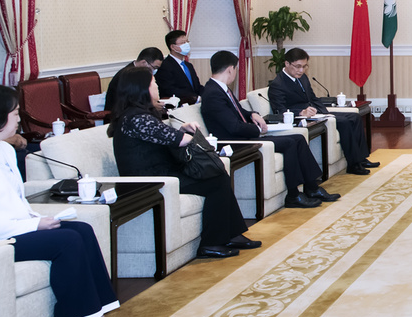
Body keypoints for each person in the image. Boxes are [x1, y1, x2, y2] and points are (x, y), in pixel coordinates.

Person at [0, 83, 129, 317]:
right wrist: (34, 225)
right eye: (15, 113)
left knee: (82, 229)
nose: (18, 119)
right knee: (67, 241)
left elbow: (16, 200)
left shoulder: (5, 150)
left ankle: (97, 312)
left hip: (18, 227)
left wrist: (35, 219)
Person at [108, 67, 259, 259]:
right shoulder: (135, 119)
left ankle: (231, 234)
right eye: (154, 83)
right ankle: (211, 243)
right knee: (216, 182)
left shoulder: (137, 114)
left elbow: (161, 137)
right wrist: (188, 135)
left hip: (162, 173)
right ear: (142, 88)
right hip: (149, 181)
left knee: (218, 176)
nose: (157, 86)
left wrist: (182, 129)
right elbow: (176, 140)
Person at [201, 50, 335, 209]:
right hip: (235, 142)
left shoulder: (222, 89)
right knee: (290, 143)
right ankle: (293, 196)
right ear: (231, 69)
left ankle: (312, 188)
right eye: (236, 69)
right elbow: (233, 126)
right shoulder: (213, 93)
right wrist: (258, 130)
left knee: (298, 139)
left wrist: (253, 114)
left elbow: (239, 112)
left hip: (244, 135)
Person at [268, 48, 378, 175]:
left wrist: (325, 112)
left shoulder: (302, 78)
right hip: (302, 119)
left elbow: (313, 98)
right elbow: (279, 111)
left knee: (355, 117)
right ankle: (353, 165)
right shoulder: (278, 84)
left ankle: (361, 159)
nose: (301, 70)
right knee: (344, 122)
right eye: (298, 66)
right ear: (287, 64)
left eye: (304, 66)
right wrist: (301, 112)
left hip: (317, 113)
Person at [105, 46, 165, 113]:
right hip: (120, 113)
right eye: (154, 67)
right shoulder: (127, 75)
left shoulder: (137, 72)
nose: (155, 71)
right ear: (143, 62)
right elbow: (130, 101)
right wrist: (152, 106)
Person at [155, 30, 202, 106]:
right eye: (183, 43)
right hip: (178, 106)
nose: (187, 45)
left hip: (194, 105)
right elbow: (170, 90)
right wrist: (195, 98)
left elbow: (197, 87)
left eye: (187, 42)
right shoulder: (165, 66)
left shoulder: (188, 65)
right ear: (173, 47)